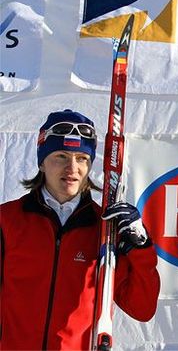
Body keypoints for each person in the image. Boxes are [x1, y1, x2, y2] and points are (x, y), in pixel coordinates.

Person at [0, 109, 160, 350]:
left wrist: (141, 247)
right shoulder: (7, 220)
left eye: (81, 158)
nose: (72, 168)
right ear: (42, 162)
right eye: (61, 156)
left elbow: (142, 308)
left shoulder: (105, 229)